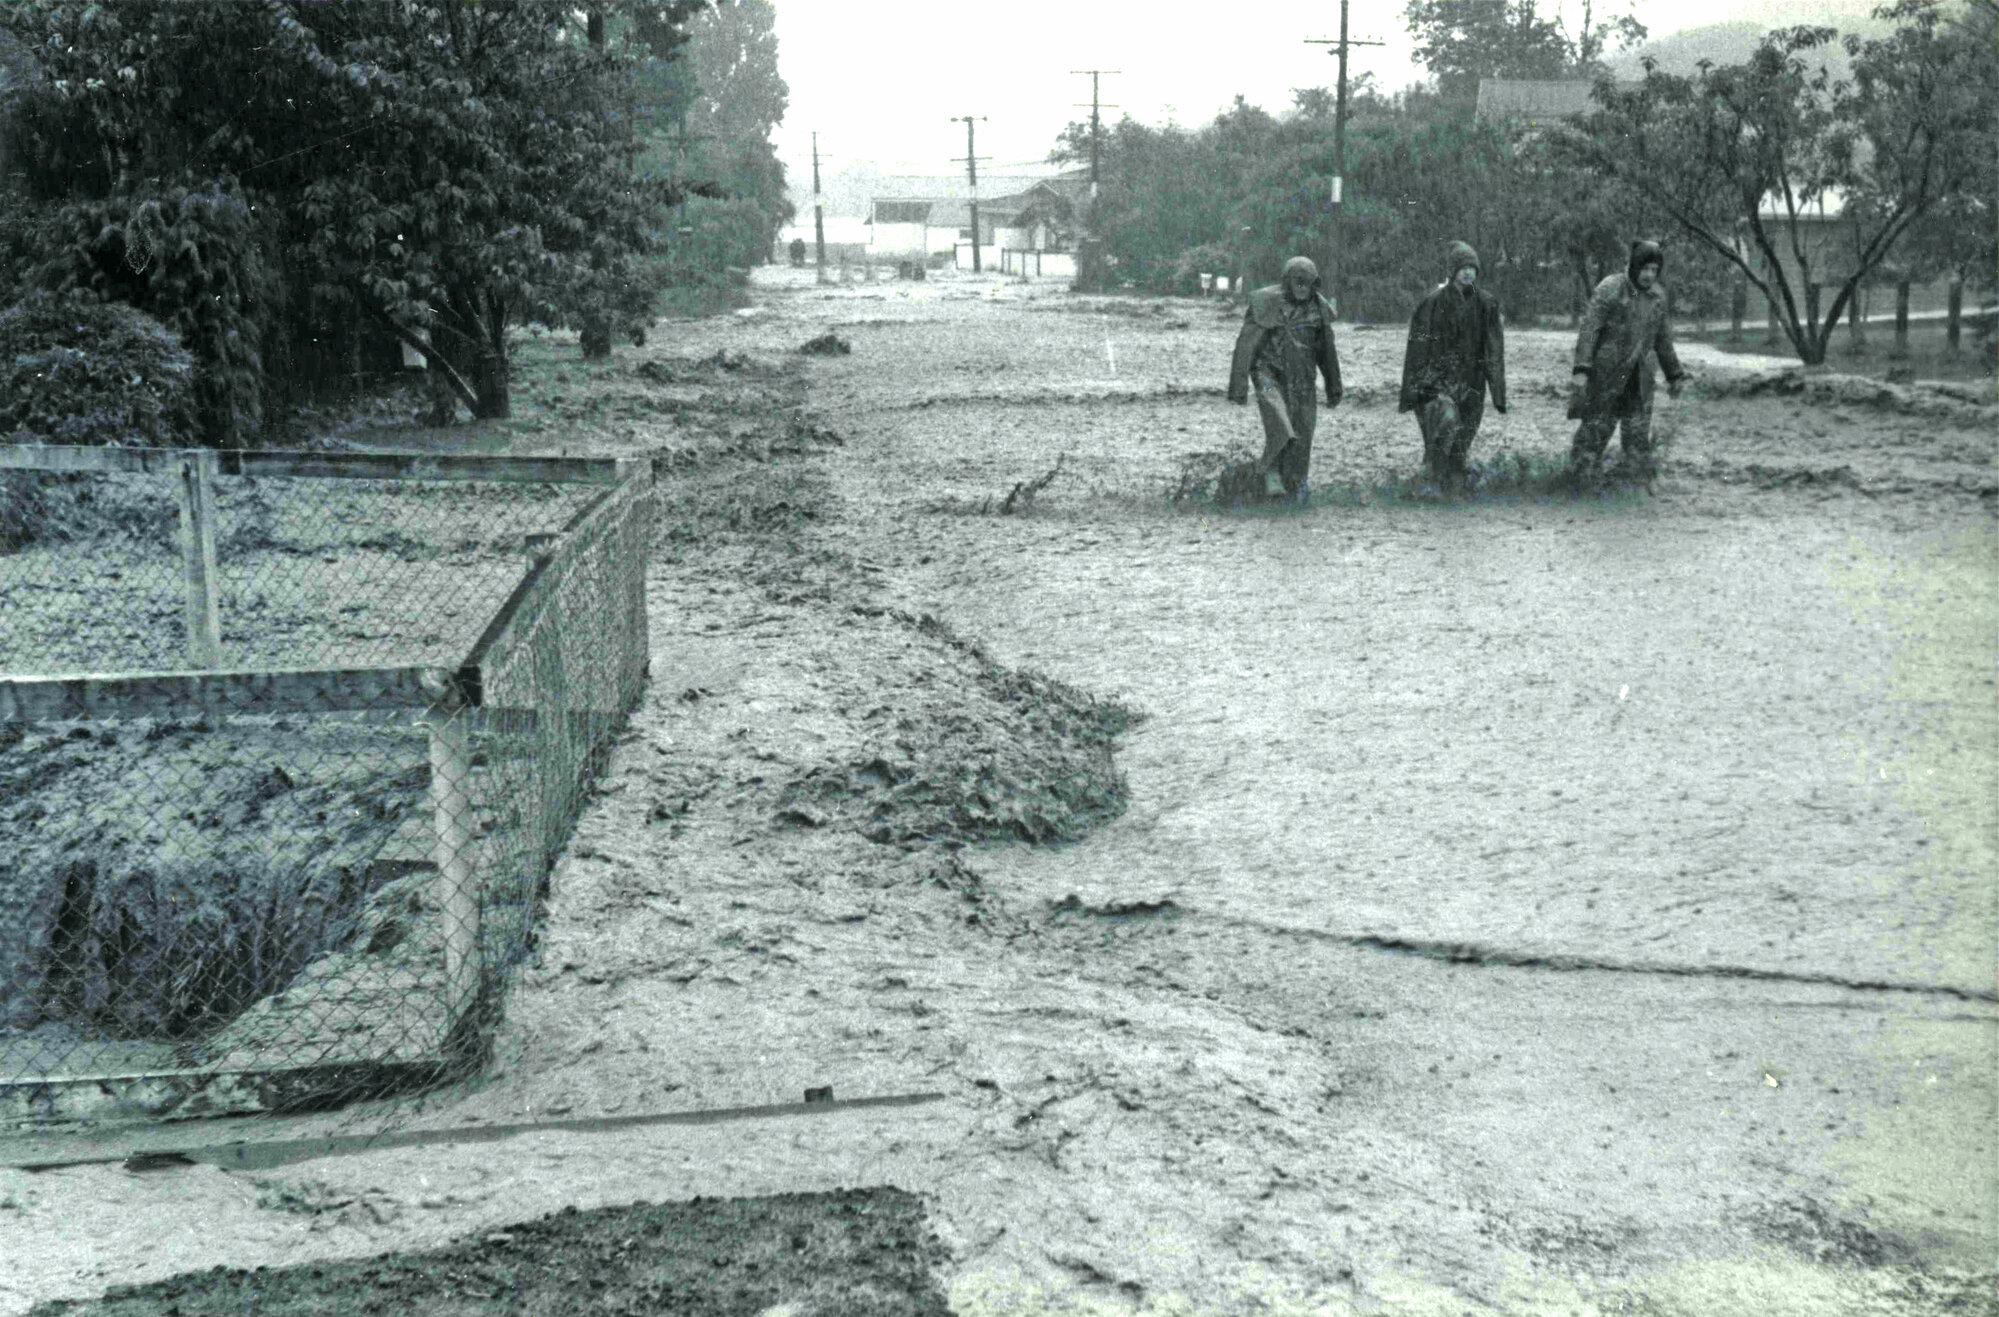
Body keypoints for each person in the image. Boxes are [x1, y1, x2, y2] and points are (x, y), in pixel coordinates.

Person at [1567, 239, 1688, 488]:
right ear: (1634, 267)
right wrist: (1582, 369)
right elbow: (1590, 329)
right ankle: (1577, 482)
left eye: (1654, 270)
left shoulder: (1657, 298)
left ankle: (1631, 488)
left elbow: (1663, 340)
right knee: (1595, 431)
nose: (1649, 275)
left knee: (1637, 437)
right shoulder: (1610, 288)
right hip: (1606, 376)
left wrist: (1674, 375)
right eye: (1645, 269)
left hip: (1640, 378)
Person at [1226, 256, 1343, 503]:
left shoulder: (1319, 310)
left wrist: (1334, 387)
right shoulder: (1266, 302)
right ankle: (1268, 472)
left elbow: (1327, 352)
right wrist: (1238, 387)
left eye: (1307, 282)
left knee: (1303, 436)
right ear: (1286, 281)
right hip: (1267, 374)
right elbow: (1246, 345)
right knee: (1280, 423)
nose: (1301, 286)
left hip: (1303, 381)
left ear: (1314, 284)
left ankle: (1296, 486)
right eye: (1297, 281)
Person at [1398, 240, 1507, 496]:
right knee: (1445, 426)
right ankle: (1430, 484)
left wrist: (1498, 393)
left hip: (1473, 384)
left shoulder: (1487, 304)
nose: (1468, 272)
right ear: (1452, 270)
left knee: (1460, 446)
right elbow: (1418, 350)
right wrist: (1422, 389)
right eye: (1463, 267)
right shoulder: (1433, 302)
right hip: (1438, 385)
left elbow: (1494, 350)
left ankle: (1454, 494)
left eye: (1473, 267)